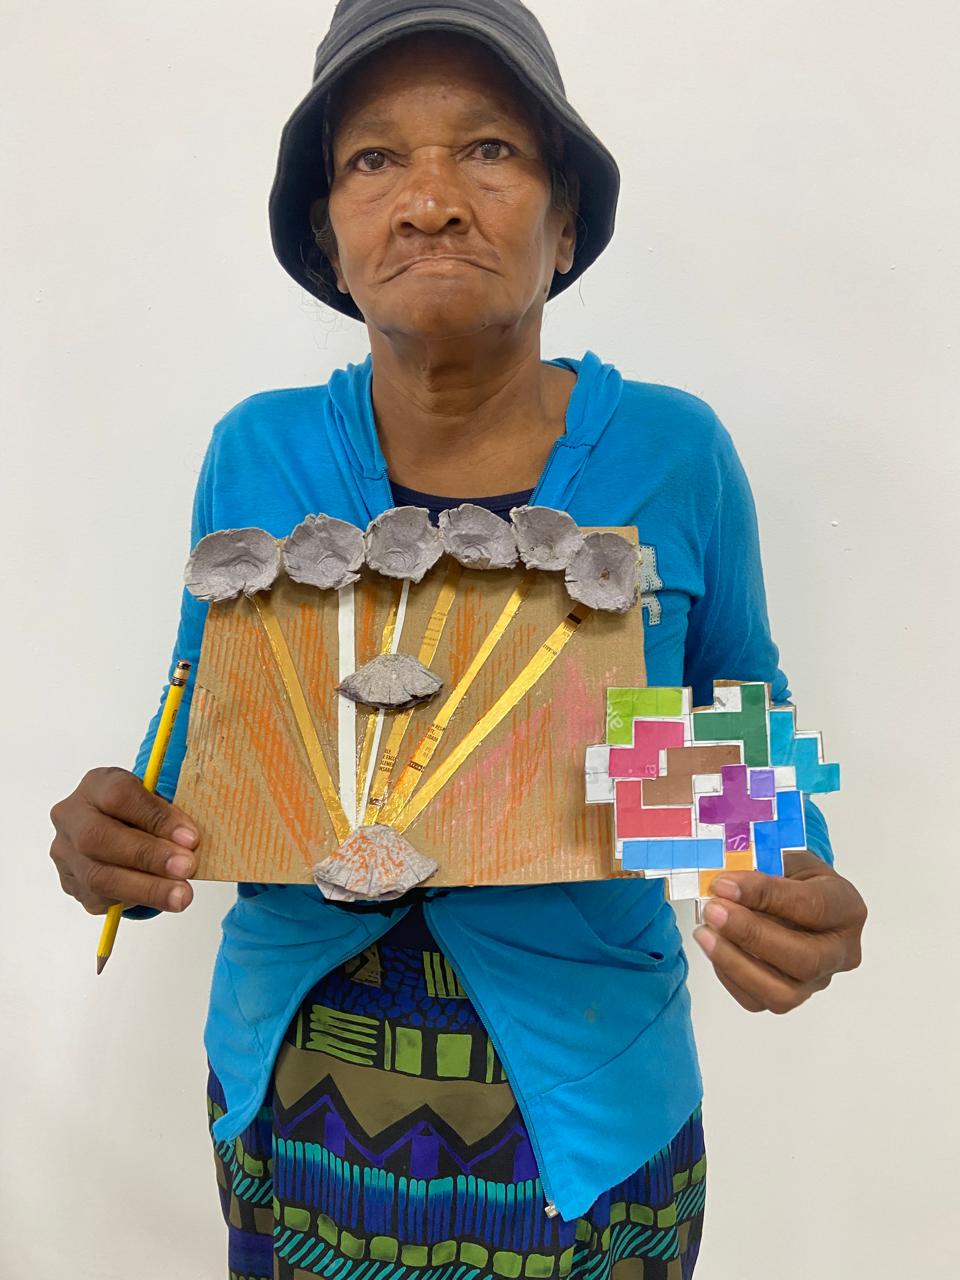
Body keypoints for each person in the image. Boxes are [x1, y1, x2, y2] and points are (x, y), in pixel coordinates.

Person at [48, 2, 868, 1277]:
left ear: (566, 221)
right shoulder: (257, 452)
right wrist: (122, 834)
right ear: (328, 235)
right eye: (374, 158)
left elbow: (735, 730)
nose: (430, 201)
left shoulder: (671, 454)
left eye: (488, 148)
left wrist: (791, 880)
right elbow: (200, 729)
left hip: (591, 1119)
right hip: (293, 1107)